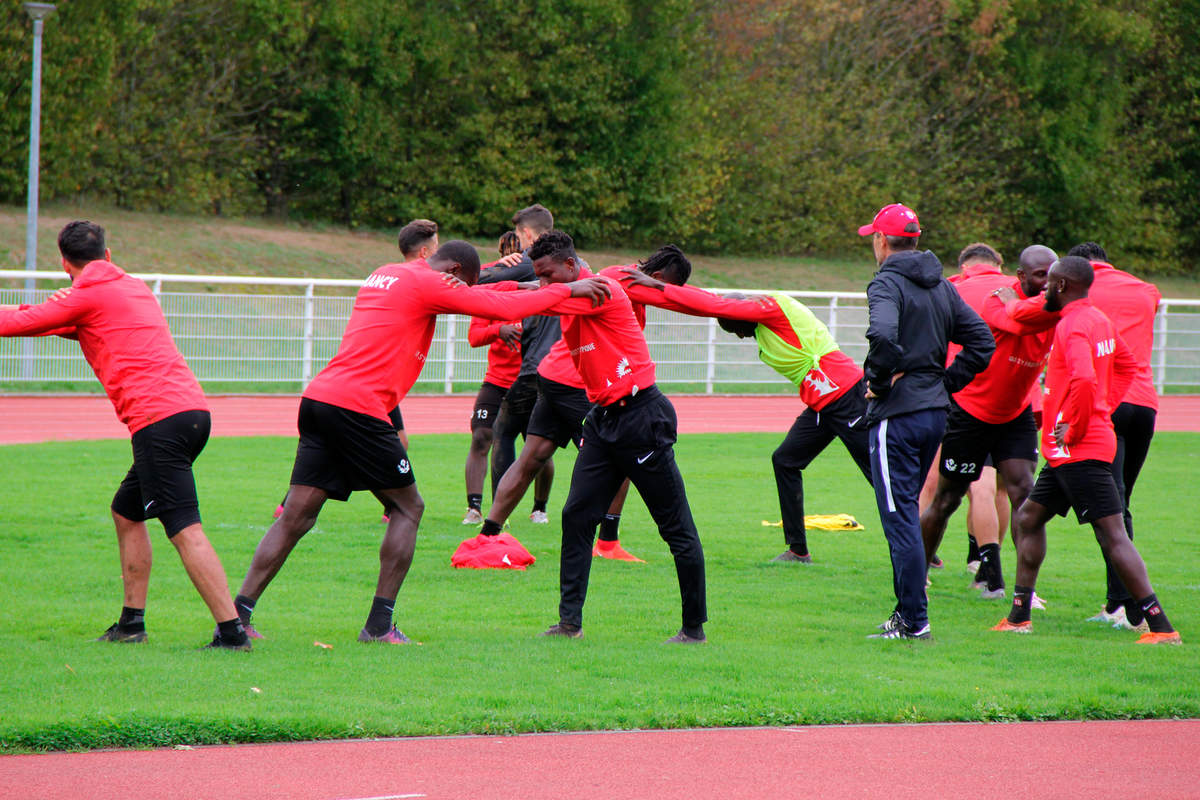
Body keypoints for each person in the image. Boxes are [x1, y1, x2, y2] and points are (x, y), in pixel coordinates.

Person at [233, 240, 612, 644]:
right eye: (459, 284)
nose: (458, 291)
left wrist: (527, 290)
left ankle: (238, 615)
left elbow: (484, 292)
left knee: (297, 514)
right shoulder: (429, 281)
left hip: (320, 399)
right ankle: (379, 626)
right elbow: (494, 307)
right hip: (359, 408)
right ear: (450, 271)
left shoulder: (388, 273)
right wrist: (567, 290)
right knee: (408, 506)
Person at [0, 221, 250, 650]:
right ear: (108, 254)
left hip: (159, 420)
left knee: (184, 527)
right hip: (191, 413)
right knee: (127, 511)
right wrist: (53, 308)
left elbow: (24, 323)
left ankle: (232, 632)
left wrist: (51, 306)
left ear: (64, 262)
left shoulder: (87, 295)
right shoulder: (129, 286)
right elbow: (56, 322)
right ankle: (131, 624)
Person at [618, 271, 872, 563]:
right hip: (823, 404)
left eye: (737, 330)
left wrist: (661, 286)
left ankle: (921, 550)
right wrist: (671, 289)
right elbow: (714, 301)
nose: (740, 337)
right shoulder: (761, 320)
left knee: (881, 475)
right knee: (785, 461)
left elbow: (718, 306)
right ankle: (797, 550)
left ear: (743, 315)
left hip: (847, 396)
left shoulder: (773, 308)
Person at [464, 246, 696, 567]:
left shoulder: (612, 279)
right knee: (622, 460)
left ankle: (487, 536)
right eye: (664, 286)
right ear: (657, 278)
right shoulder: (619, 282)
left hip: (551, 374)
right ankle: (607, 542)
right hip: (574, 383)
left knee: (533, 455)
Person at [528, 231, 707, 643]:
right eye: (538, 276)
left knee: (675, 527)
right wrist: (480, 285)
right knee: (576, 516)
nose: (543, 284)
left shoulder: (602, 288)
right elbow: (528, 293)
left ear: (572, 267)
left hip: (643, 417)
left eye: (548, 275)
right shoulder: (567, 289)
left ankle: (693, 629)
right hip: (604, 419)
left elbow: (539, 298)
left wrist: (500, 290)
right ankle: (569, 624)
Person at [990, 256, 1180, 644]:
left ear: (1061, 286)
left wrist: (1076, 425)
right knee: (1028, 518)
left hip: (1080, 448)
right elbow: (1128, 367)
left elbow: (1084, 377)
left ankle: (1161, 627)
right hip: (1072, 448)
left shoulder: (1073, 326)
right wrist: (1103, 410)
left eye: (1048, 285)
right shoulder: (1098, 319)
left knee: (1112, 534)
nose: (1043, 291)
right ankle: (1018, 616)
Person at [858, 204, 994, 640]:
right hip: (933, 415)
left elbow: (882, 336)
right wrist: (944, 383)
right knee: (906, 513)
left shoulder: (887, 283)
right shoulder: (941, 284)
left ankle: (914, 621)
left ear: (882, 240)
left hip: (896, 416)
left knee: (899, 519)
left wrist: (879, 382)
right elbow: (981, 341)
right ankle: (908, 615)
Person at [272, 219, 438, 521]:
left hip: (347, 383)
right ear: (426, 252)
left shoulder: (383, 275)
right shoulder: (420, 282)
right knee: (398, 468)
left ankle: (292, 503)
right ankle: (393, 504)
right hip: (367, 387)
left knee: (386, 441)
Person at [919, 244, 1056, 600]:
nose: (1049, 283)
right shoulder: (1000, 298)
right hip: (969, 411)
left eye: (1054, 277)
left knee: (1025, 497)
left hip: (1016, 413)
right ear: (1019, 276)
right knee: (946, 499)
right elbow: (1019, 321)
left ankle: (1025, 593)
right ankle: (916, 576)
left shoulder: (1048, 302)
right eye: (1041, 276)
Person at [1067, 242, 1162, 631]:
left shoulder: (1079, 290)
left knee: (1111, 511)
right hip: (1144, 404)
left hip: (1107, 401)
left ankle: (1128, 607)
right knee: (1122, 503)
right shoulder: (1145, 290)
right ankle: (1120, 603)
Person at [484, 204, 563, 524]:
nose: (518, 241)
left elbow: (480, 280)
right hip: (573, 371)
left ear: (528, 234)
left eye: (518, 234)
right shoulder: (575, 261)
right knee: (545, 440)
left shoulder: (532, 260)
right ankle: (545, 511)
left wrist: (499, 264)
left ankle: (494, 518)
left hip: (538, 371)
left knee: (502, 431)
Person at [461, 231, 525, 524]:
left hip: (530, 382)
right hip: (498, 379)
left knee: (538, 447)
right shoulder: (490, 287)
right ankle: (474, 508)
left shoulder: (538, 288)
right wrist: (499, 330)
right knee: (481, 437)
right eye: (507, 254)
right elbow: (475, 336)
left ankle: (539, 508)